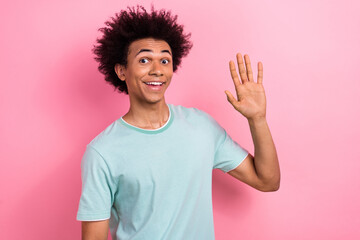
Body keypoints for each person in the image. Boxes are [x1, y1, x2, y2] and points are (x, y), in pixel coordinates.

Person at [76, 5, 280, 240]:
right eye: (144, 60)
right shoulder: (102, 152)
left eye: (165, 61)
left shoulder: (202, 128)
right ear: (122, 71)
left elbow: (268, 181)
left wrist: (258, 120)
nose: (157, 70)